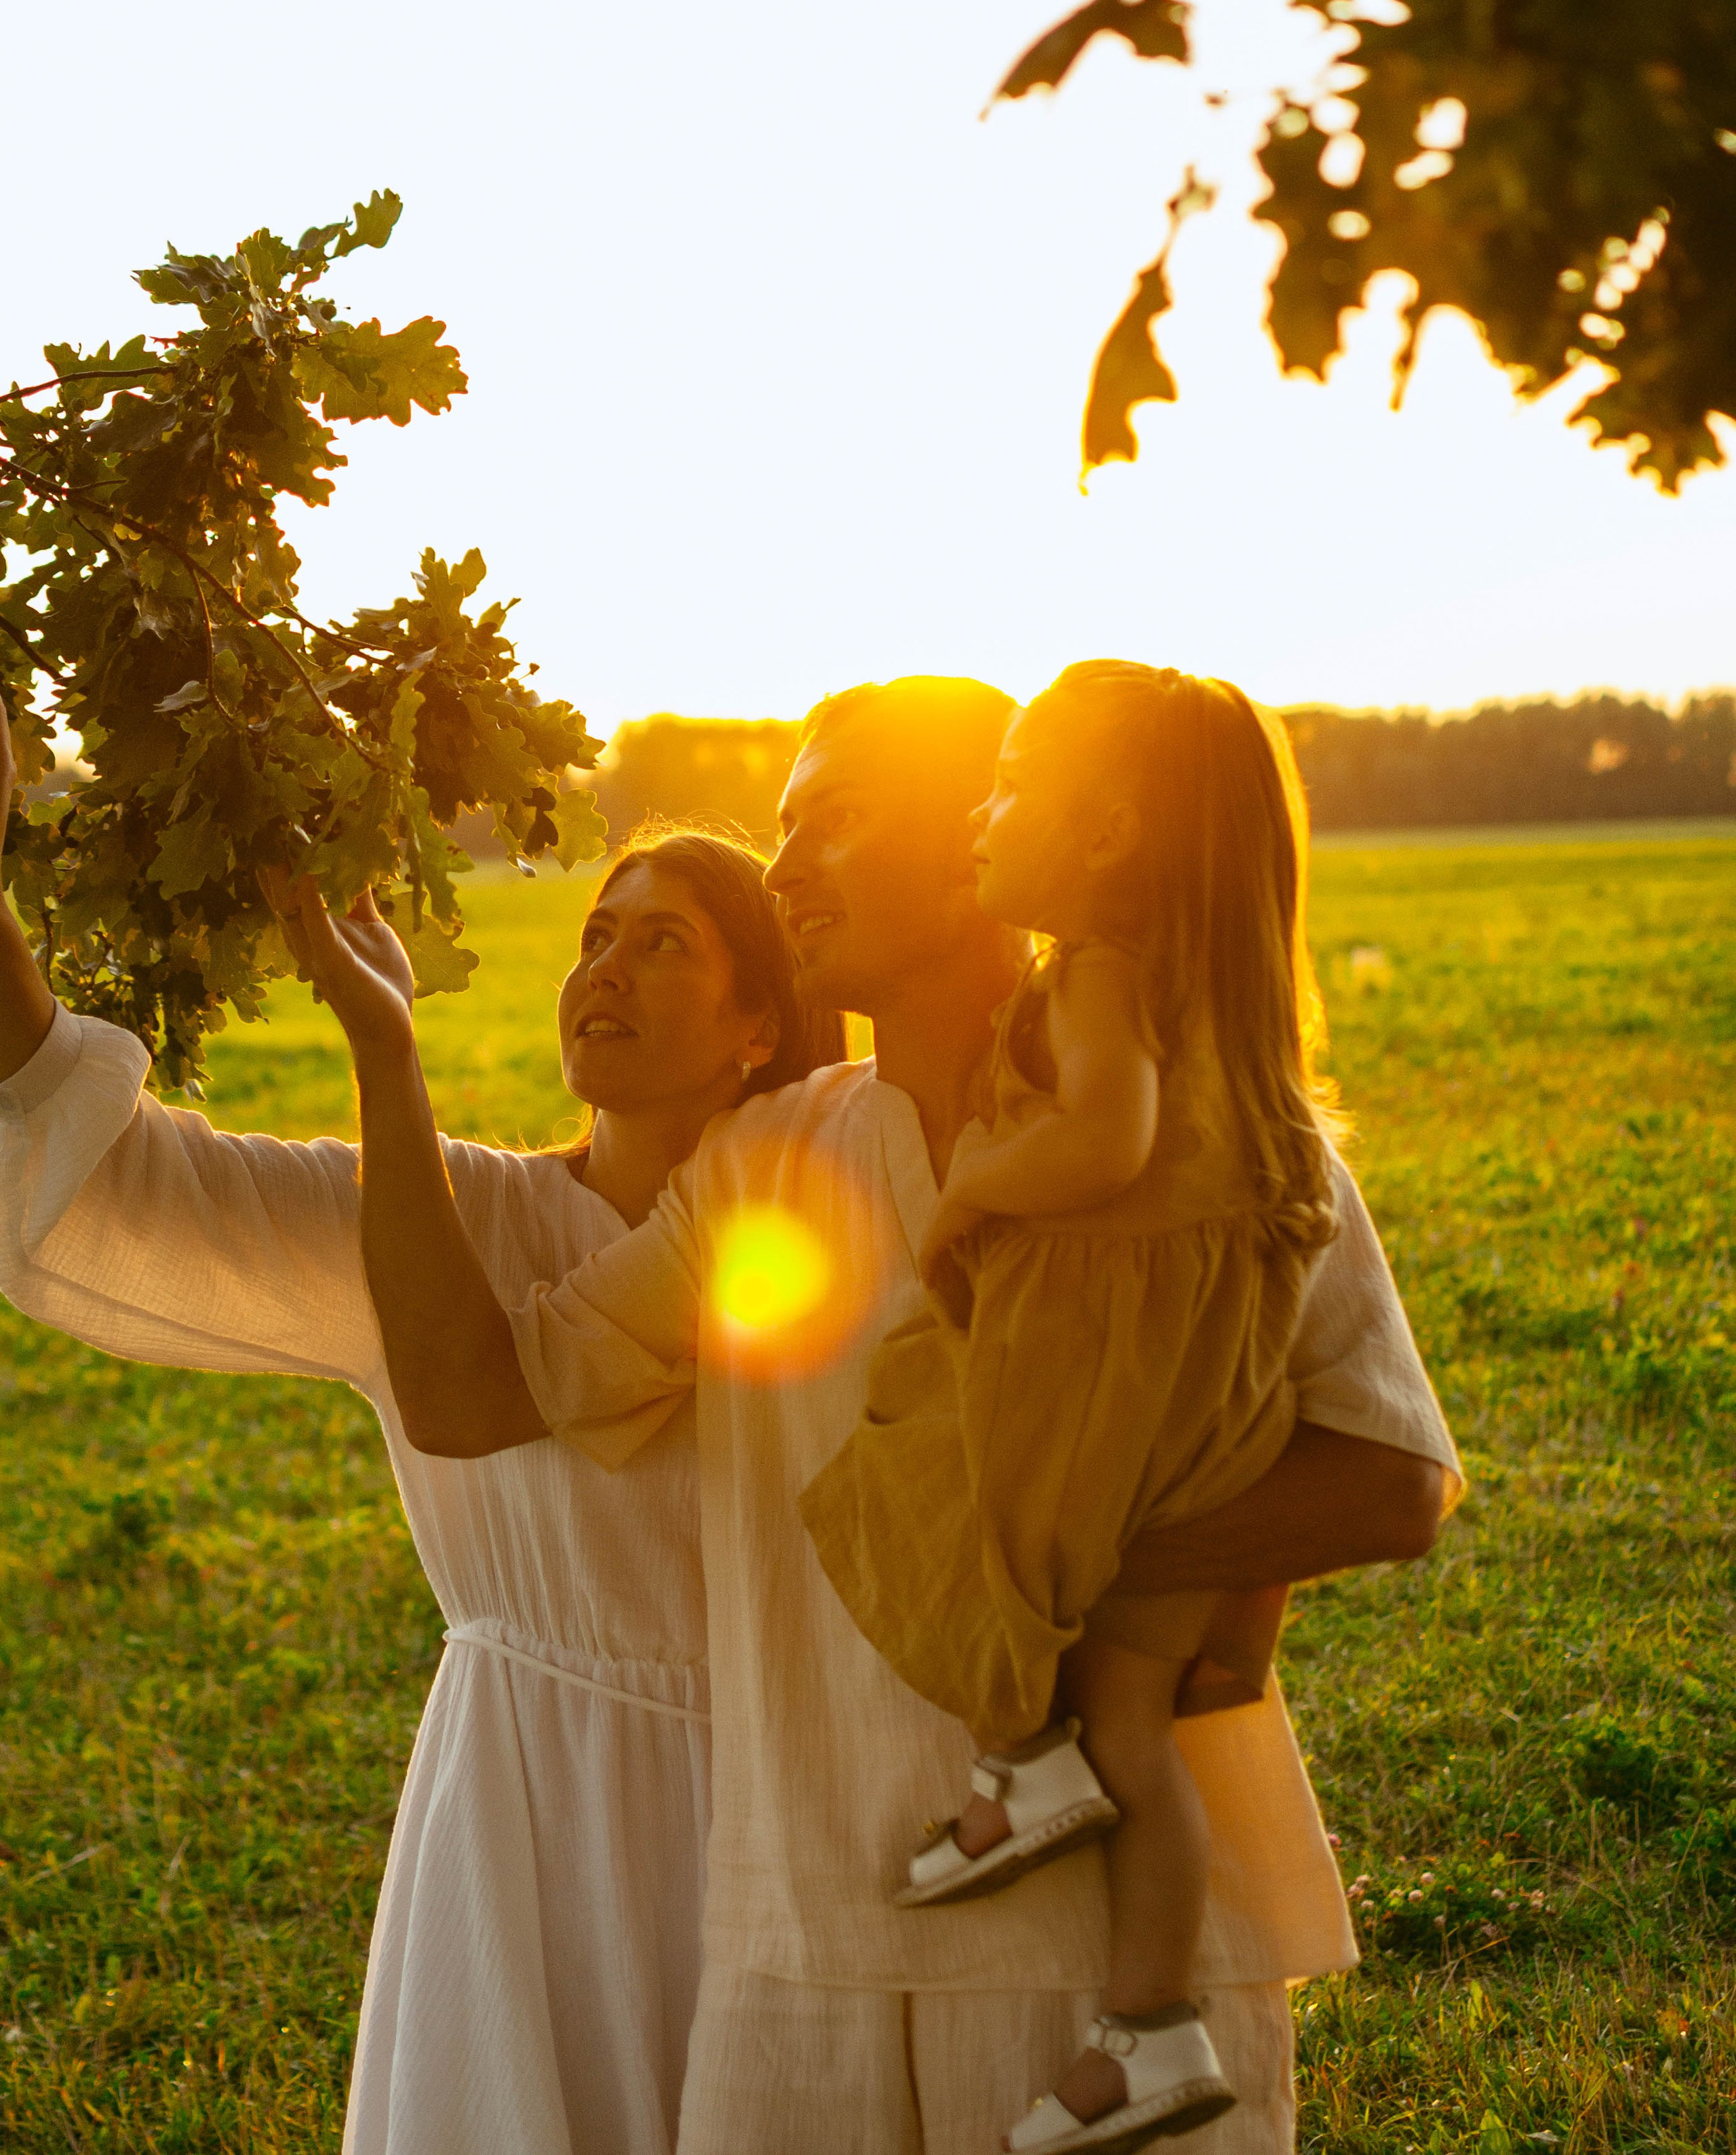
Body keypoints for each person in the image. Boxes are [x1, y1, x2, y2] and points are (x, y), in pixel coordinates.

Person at [340, 675, 1463, 2155]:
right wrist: (383, 1055)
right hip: (801, 1949)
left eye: (839, 819)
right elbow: (473, 1395)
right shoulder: (759, 1171)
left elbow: (1391, 1479)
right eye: (786, 827)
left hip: (1121, 1965)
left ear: (979, 833)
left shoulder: (1201, 1113)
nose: (787, 869)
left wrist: (1062, 1572)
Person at [0, 697, 840, 2155]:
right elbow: (121, 1172)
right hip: (515, 1813)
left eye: (664, 943)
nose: (605, 968)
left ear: (760, 1023)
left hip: (772, 1825)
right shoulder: (444, 1217)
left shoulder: (829, 1227)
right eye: (595, 931)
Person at [802, 664, 1343, 2150]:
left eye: (1010, 782)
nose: (984, 811)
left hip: (1109, 1377)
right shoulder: (1210, 1007)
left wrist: (969, 1189)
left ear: (1103, 834)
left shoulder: (1097, 968)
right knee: (1132, 1721)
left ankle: (1010, 1759)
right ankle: (1144, 2029)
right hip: (1198, 1392)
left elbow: (1106, 1134)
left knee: (916, 1475)